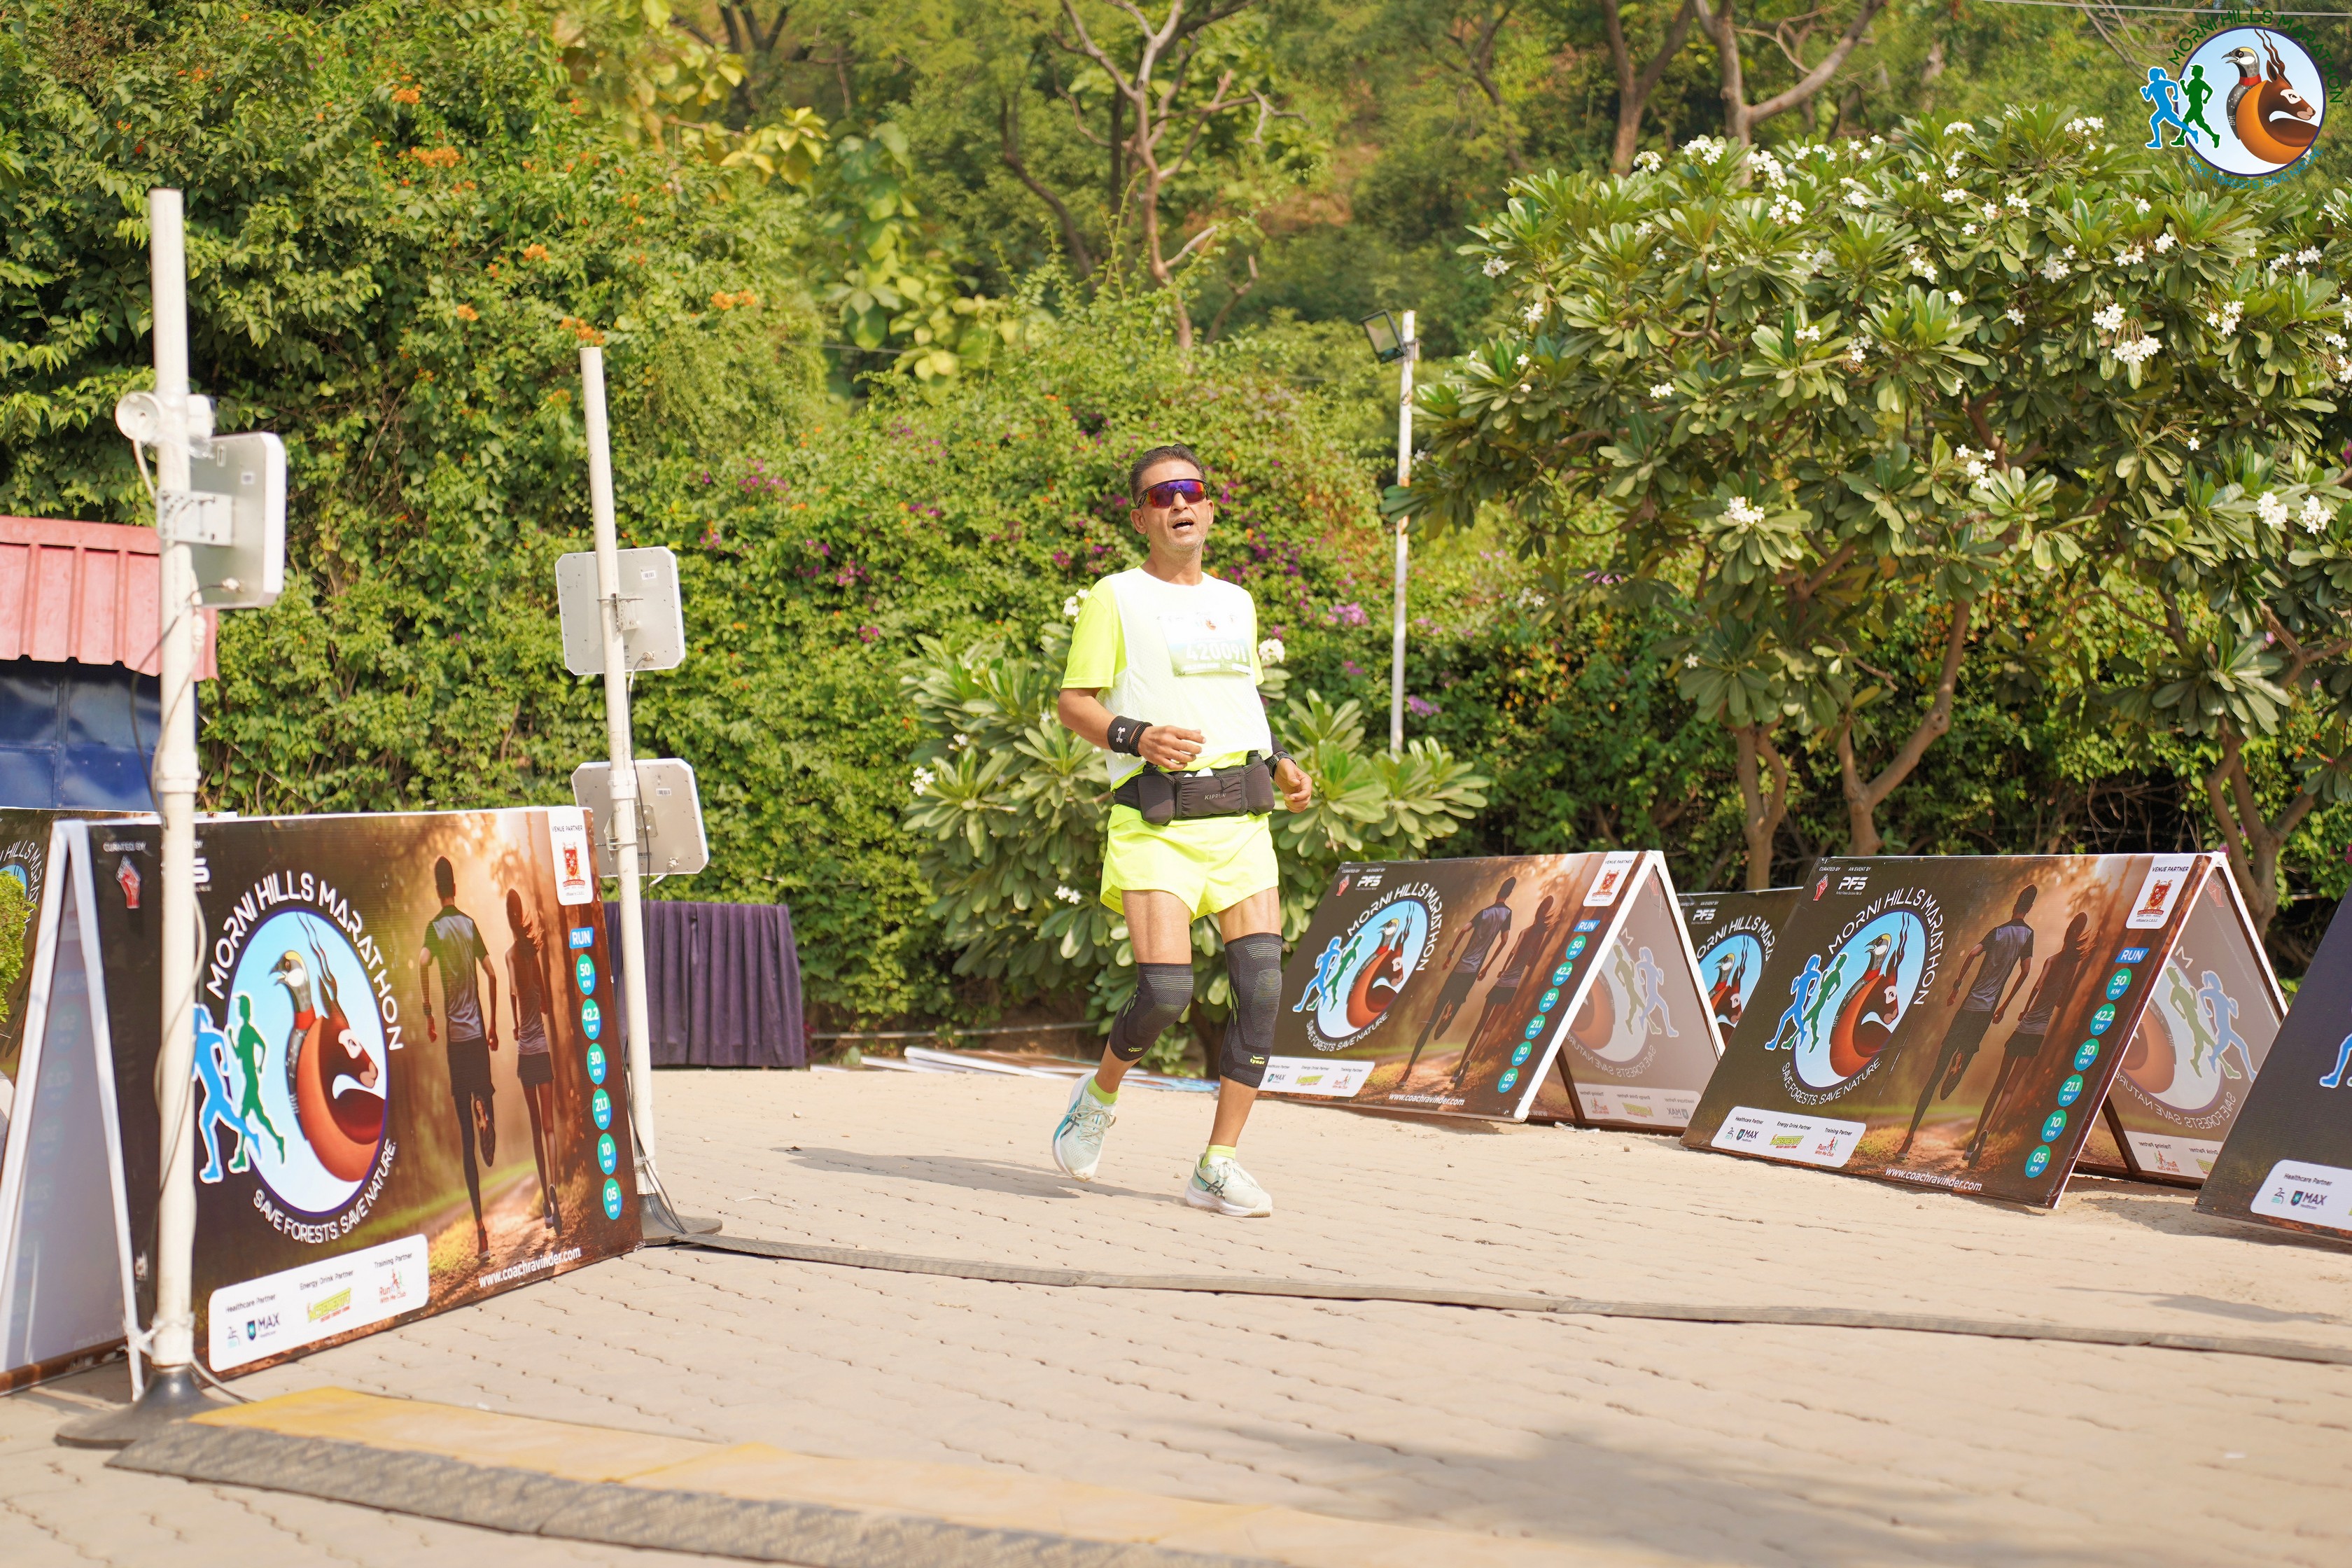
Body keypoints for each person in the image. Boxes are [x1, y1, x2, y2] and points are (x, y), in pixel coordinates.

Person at [1048, 444, 1314, 1217]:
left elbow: (1240, 702)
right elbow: (1074, 702)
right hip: (1158, 822)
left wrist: (1280, 761)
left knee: (1262, 990)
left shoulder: (1237, 602)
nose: (1179, 504)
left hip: (1241, 820)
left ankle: (1217, 1165)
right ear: (1141, 518)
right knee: (1166, 992)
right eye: (1161, 496)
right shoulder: (1116, 596)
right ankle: (1098, 1097)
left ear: (1210, 507)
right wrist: (1136, 736)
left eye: (1190, 490)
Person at [1896, 886, 2038, 1159]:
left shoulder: (1998, 931)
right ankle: (1961, 1060)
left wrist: (1957, 986)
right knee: (1970, 1049)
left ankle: (1908, 1140)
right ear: (2029, 908)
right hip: (1986, 1012)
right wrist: (2005, 1005)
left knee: (1935, 1075)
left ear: (2015, 906)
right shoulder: (2028, 935)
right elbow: (2026, 970)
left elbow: (1972, 953)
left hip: (1968, 1006)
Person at [419, 855, 500, 1263]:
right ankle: (484, 1107)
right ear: (455, 887)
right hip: (477, 1040)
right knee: (485, 1099)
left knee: (468, 1143)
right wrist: (494, 1024)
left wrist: (429, 1013)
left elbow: (421, 964)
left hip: (454, 1043)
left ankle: (481, 1230)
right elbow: (493, 974)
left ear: (437, 890)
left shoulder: (435, 929)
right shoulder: (469, 925)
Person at [1963, 911, 2090, 1167]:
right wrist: (2057, 996)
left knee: (1998, 1086)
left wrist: (2025, 1009)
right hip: (2037, 1035)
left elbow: (2036, 986)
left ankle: (1974, 1139)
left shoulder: (2051, 960)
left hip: (2023, 1029)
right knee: (2010, 1090)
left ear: (2066, 936)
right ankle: (1988, 1132)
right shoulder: (2073, 966)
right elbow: (2061, 1002)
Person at [1398, 877, 1516, 1082]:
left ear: (1498, 892)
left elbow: (1463, 930)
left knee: (1431, 1021)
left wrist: (1450, 954)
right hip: (1472, 972)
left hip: (1459, 967)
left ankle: (1407, 1073)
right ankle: (1452, 1010)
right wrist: (1487, 967)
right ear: (1510, 894)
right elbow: (1504, 941)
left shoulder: (1483, 913)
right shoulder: (1507, 914)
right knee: (1458, 1000)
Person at [1451, 895, 1560, 1090]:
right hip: (1511, 987)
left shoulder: (1525, 932)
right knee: (1488, 1029)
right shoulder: (1539, 937)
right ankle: (1470, 1063)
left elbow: (1512, 951)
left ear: (1536, 913)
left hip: (1501, 983)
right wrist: (1527, 957)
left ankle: (1459, 1068)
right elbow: (1530, 962)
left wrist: (1502, 969)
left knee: (1479, 1026)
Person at [505, 888, 561, 1236]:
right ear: (522, 915)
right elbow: (545, 1005)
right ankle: (554, 1185)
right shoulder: (533, 954)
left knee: (535, 1129)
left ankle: (546, 1205)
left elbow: (514, 997)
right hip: (542, 1050)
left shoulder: (510, 956)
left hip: (525, 1055)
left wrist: (516, 1024)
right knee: (550, 1126)